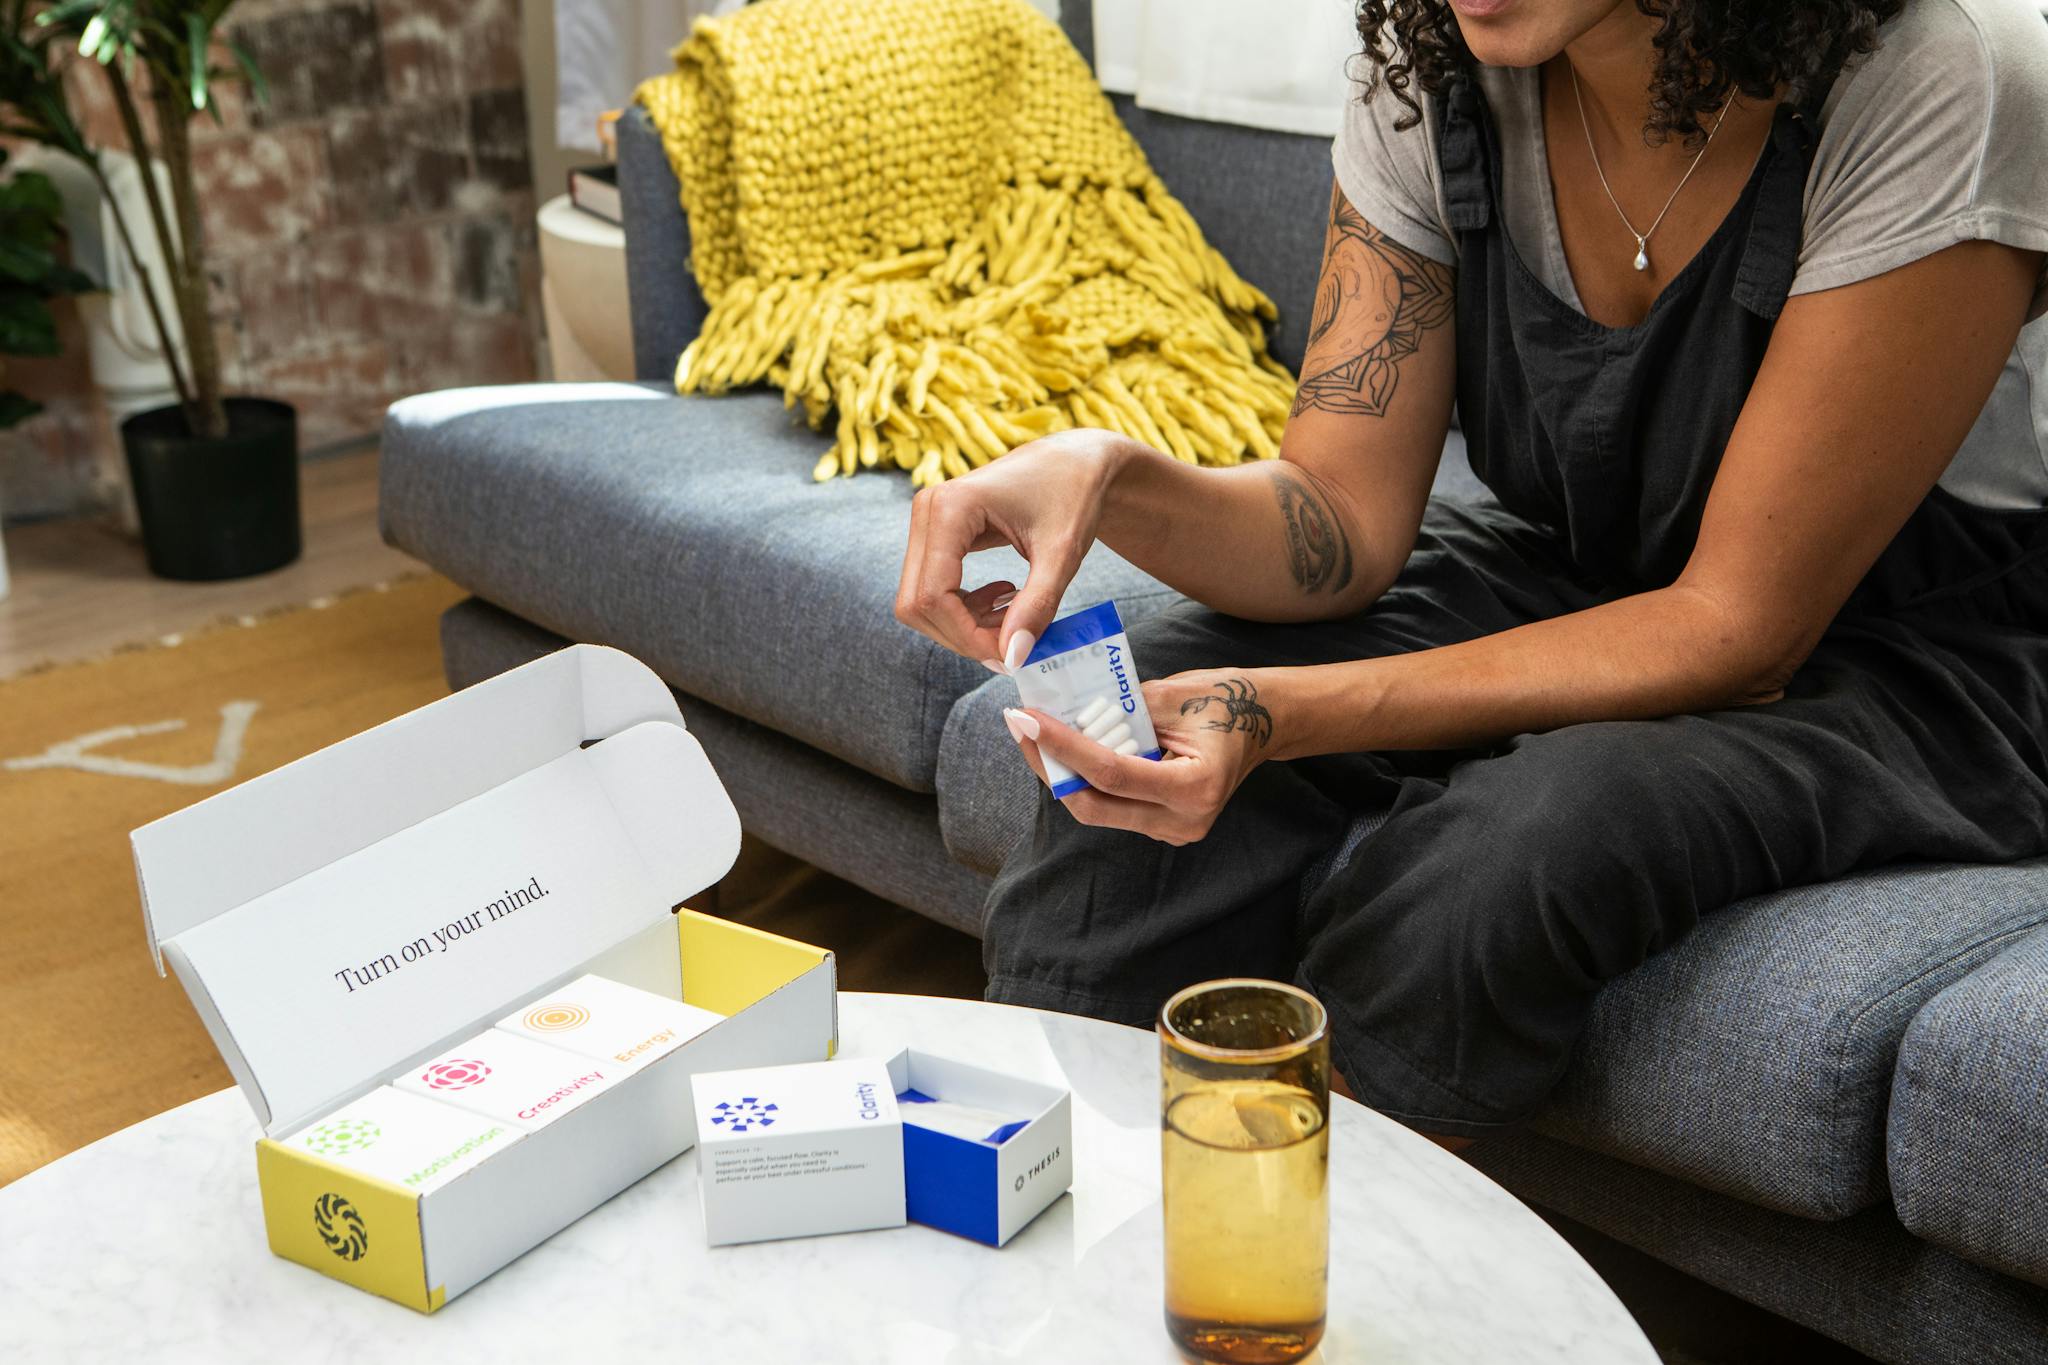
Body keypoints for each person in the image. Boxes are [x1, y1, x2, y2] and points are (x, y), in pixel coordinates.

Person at [892, 0, 2048, 1143]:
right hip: (1594, 565)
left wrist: (1275, 713)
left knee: (1519, 846)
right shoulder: (1428, 65)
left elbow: (1733, 628)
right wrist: (1107, 477)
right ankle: (1068, 1189)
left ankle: (1305, 1225)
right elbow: (1337, 519)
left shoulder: (1939, 76)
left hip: (1914, 652)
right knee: (1142, 709)